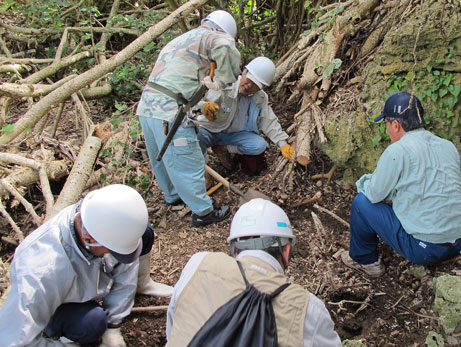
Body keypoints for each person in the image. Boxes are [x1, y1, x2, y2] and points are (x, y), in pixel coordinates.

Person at [0, 184, 171, 346]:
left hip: (89, 280)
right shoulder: (41, 272)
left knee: (140, 234)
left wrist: (114, 325)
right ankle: (62, 333)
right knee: (91, 323)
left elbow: (125, 268)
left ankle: (142, 285)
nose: (115, 254)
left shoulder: (100, 221)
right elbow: (14, 340)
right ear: (89, 239)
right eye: (111, 249)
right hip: (59, 303)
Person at [165, 198, 342, 346]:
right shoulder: (309, 309)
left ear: (234, 249)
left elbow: (174, 327)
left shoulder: (198, 265)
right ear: (286, 251)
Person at [342, 91, 461, 277]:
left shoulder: (398, 150)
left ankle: (365, 260)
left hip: (426, 249)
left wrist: (364, 182)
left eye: (386, 123)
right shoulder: (447, 145)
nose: (387, 129)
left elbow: (375, 193)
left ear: (395, 124)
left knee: (361, 203)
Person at [136, 10, 241, 227]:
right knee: (187, 159)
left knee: (162, 156)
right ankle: (203, 212)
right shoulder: (214, 37)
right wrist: (222, 81)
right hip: (168, 110)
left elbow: (177, 81)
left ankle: (173, 196)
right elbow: (226, 48)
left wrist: (201, 104)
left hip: (148, 106)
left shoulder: (184, 39)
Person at [197, 56, 295, 175]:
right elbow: (195, 100)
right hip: (211, 130)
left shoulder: (260, 98)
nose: (249, 85)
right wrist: (203, 106)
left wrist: (283, 144)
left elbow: (268, 120)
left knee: (260, 145)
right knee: (197, 135)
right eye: (249, 79)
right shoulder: (225, 83)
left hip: (234, 136)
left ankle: (223, 148)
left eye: (255, 84)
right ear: (244, 72)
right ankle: (202, 170)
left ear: (260, 88)